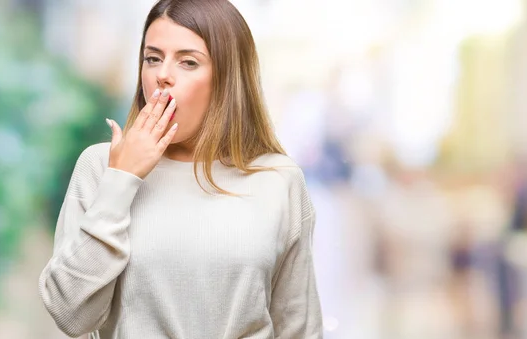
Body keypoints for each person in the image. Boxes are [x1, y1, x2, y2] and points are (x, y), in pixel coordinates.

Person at [37, 1, 323, 338]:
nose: (163, 75)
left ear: (227, 80)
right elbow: (70, 314)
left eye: (188, 62)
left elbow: (298, 327)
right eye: (152, 58)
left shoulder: (278, 180)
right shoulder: (102, 166)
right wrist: (121, 181)